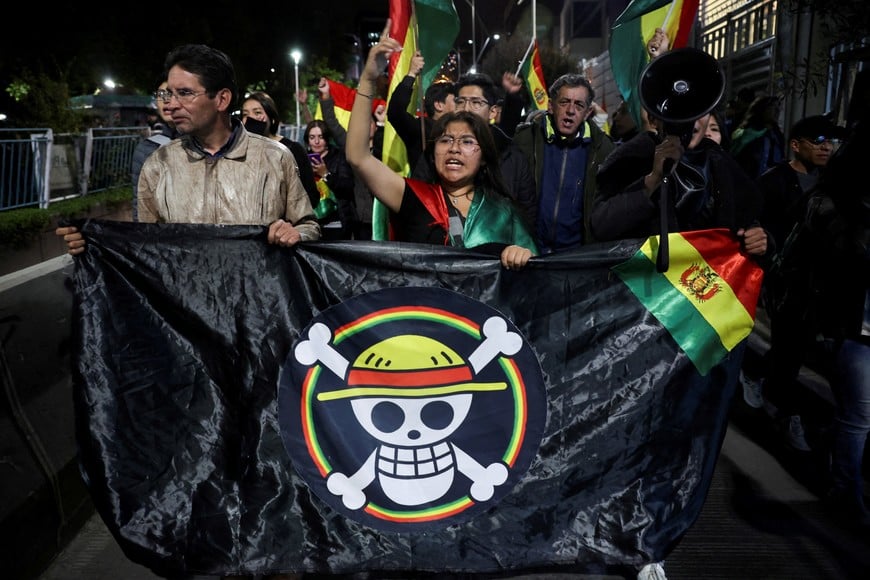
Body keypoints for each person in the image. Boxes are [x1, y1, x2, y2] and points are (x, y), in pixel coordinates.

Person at [56, 43, 319, 255]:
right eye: (167, 94)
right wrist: (93, 244)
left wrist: (295, 233)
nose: (169, 105)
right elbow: (145, 246)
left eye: (184, 93)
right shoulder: (158, 165)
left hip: (260, 310)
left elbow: (308, 225)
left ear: (222, 99)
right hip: (186, 314)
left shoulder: (274, 157)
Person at [345, 21, 537, 270]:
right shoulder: (415, 199)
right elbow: (358, 156)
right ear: (433, 151)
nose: (454, 148)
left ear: (484, 157)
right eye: (446, 140)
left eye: (467, 141)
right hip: (425, 309)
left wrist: (520, 256)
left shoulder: (504, 212)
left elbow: (536, 273)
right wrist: (369, 79)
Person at [770, 70, 870, 530]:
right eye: (817, 141)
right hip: (848, 318)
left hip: (841, 315)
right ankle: (845, 493)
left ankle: (831, 444)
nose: (826, 147)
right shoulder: (838, 193)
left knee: (857, 414)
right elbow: (807, 246)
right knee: (859, 414)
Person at [513, 73, 617, 254]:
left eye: (579, 105)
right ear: (551, 106)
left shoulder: (604, 150)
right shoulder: (525, 139)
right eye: (564, 102)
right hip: (528, 252)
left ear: (587, 113)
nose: (570, 110)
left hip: (577, 258)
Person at [450, 71, 537, 228]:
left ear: (493, 111)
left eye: (476, 103)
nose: (466, 109)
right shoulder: (439, 149)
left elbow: (527, 212)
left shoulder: (512, 156)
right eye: (460, 101)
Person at [314, 77, 384, 239]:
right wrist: (326, 96)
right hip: (360, 221)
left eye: (371, 122)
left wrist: (382, 123)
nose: (367, 125)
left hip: (385, 218)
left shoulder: (386, 146)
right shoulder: (352, 146)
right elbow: (331, 123)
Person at [240, 90, 320, 210]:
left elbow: (311, 197)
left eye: (257, 112)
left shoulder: (293, 149)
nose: (250, 118)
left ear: (272, 118)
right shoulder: (241, 151)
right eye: (245, 114)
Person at [386, 50, 455, 178]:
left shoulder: (464, 129)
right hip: (427, 194)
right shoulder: (421, 129)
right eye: (456, 101)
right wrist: (411, 74)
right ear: (439, 105)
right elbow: (395, 112)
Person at [130, 79, 178, 222]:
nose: (166, 100)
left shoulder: (206, 143)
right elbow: (140, 205)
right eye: (161, 94)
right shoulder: (146, 149)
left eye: (172, 94)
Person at [303, 119, 357, 240]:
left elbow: (347, 187)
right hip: (311, 223)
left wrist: (325, 174)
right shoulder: (303, 159)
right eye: (312, 137)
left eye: (320, 137)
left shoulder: (339, 157)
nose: (316, 142)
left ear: (327, 139)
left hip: (337, 222)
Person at [730, 95, 786, 179]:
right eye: (773, 106)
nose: (777, 110)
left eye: (778, 107)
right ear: (763, 109)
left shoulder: (777, 135)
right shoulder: (747, 133)